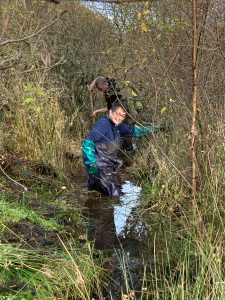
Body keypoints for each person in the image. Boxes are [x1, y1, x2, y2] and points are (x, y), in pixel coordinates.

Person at [82, 101, 165, 196]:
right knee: (115, 195)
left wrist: (156, 129)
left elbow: (136, 131)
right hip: (100, 168)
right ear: (111, 112)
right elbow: (87, 143)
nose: (120, 118)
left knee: (98, 197)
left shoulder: (118, 126)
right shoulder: (103, 124)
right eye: (118, 114)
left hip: (109, 167)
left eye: (123, 116)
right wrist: (92, 165)